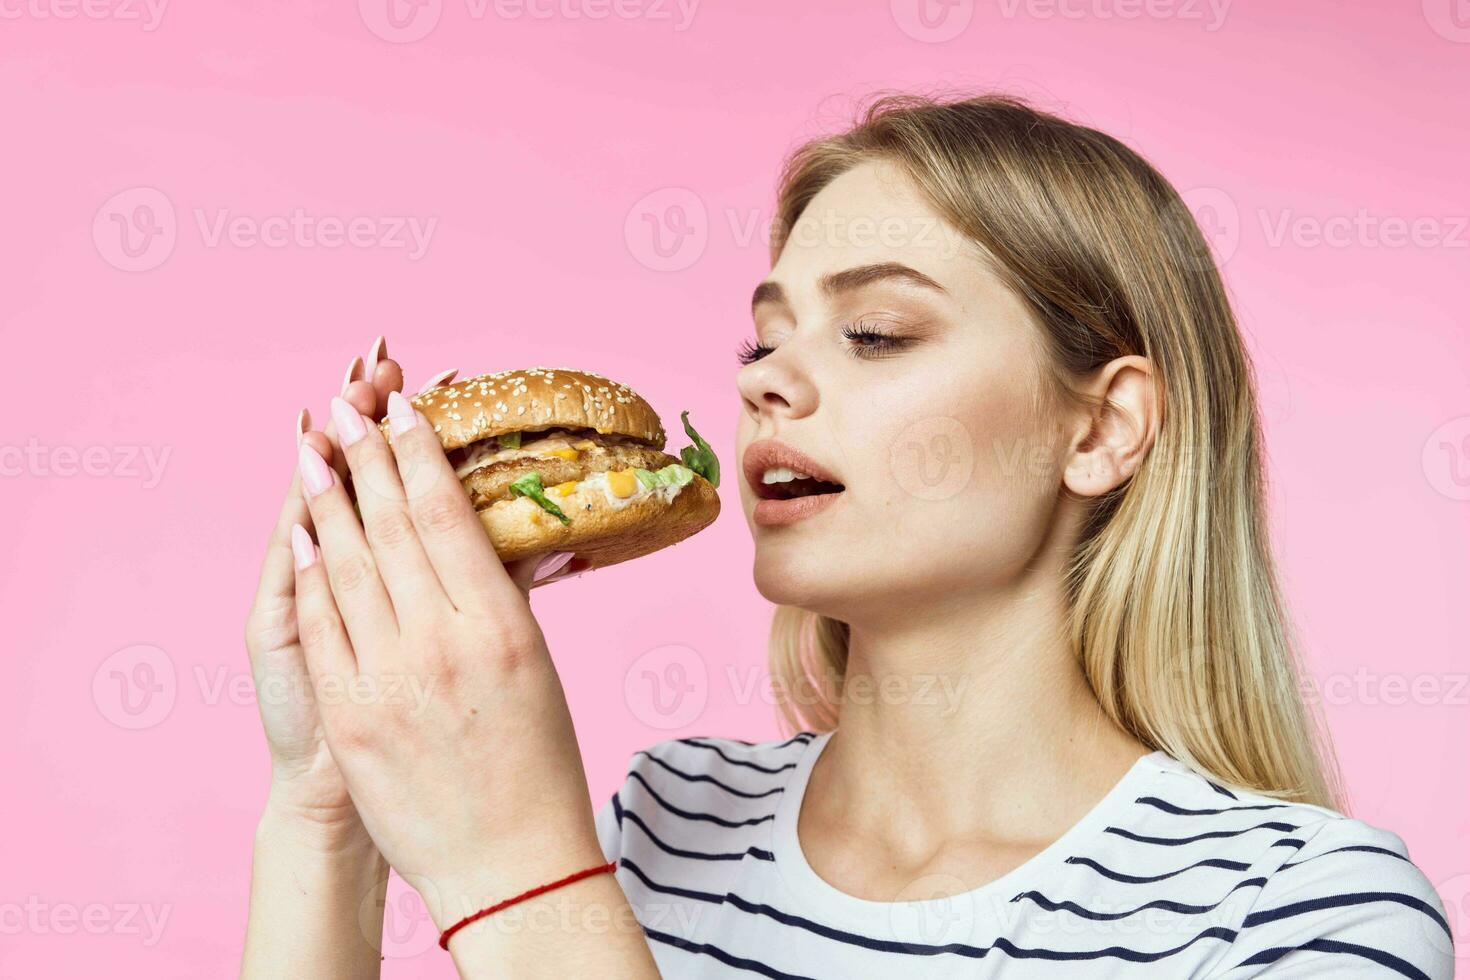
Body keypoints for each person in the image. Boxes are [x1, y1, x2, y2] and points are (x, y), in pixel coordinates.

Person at [240, 95, 1453, 978]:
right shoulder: (669, 823)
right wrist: (325, 799)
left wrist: (522, 876)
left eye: (874, 333)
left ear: (1102, 428)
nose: (768, 384)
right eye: (762, 343)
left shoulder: (1296, 912)